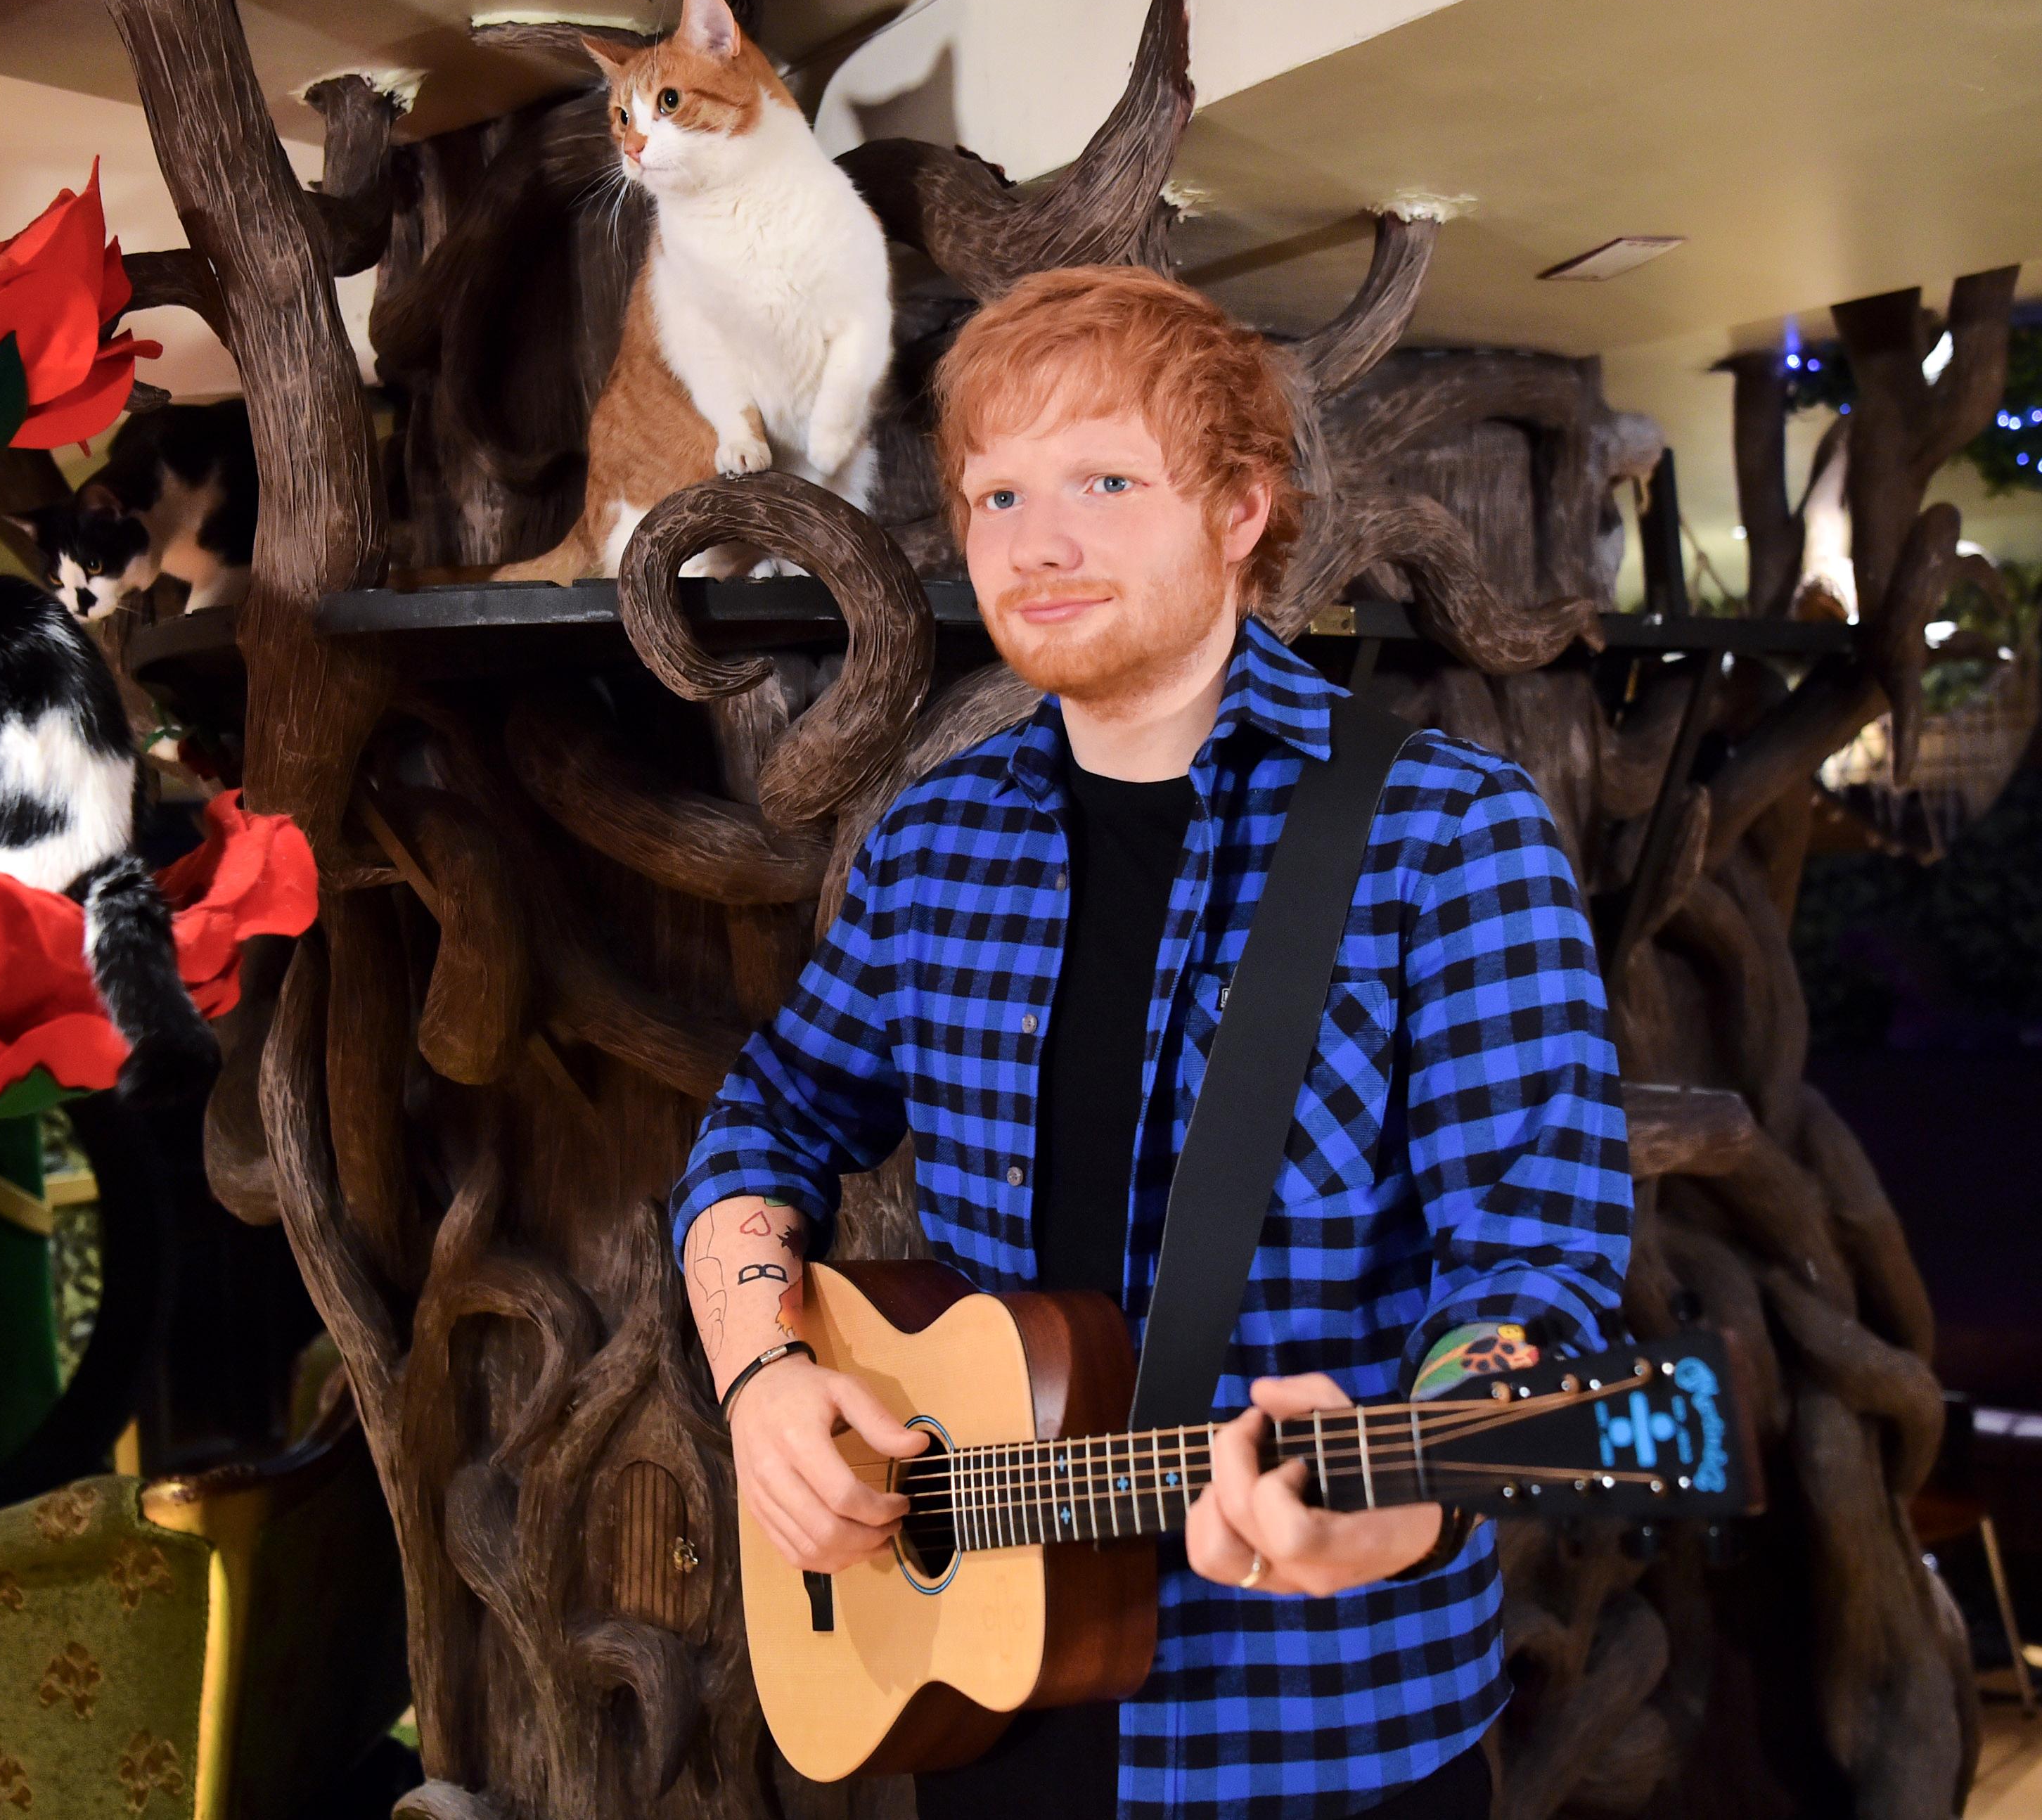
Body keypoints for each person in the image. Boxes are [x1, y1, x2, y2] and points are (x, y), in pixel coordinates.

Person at [669, 266, 1631, 1819]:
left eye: (1103, 482)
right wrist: (764, 1369)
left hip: (1318, 1738)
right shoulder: (933, 846)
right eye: (993, 495)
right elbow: (764, 1118)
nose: (1034, 545)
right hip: (978, 1708)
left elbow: (1536, 1277)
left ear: (1239, 510)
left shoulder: (1444, 838)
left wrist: (1418, 1485)